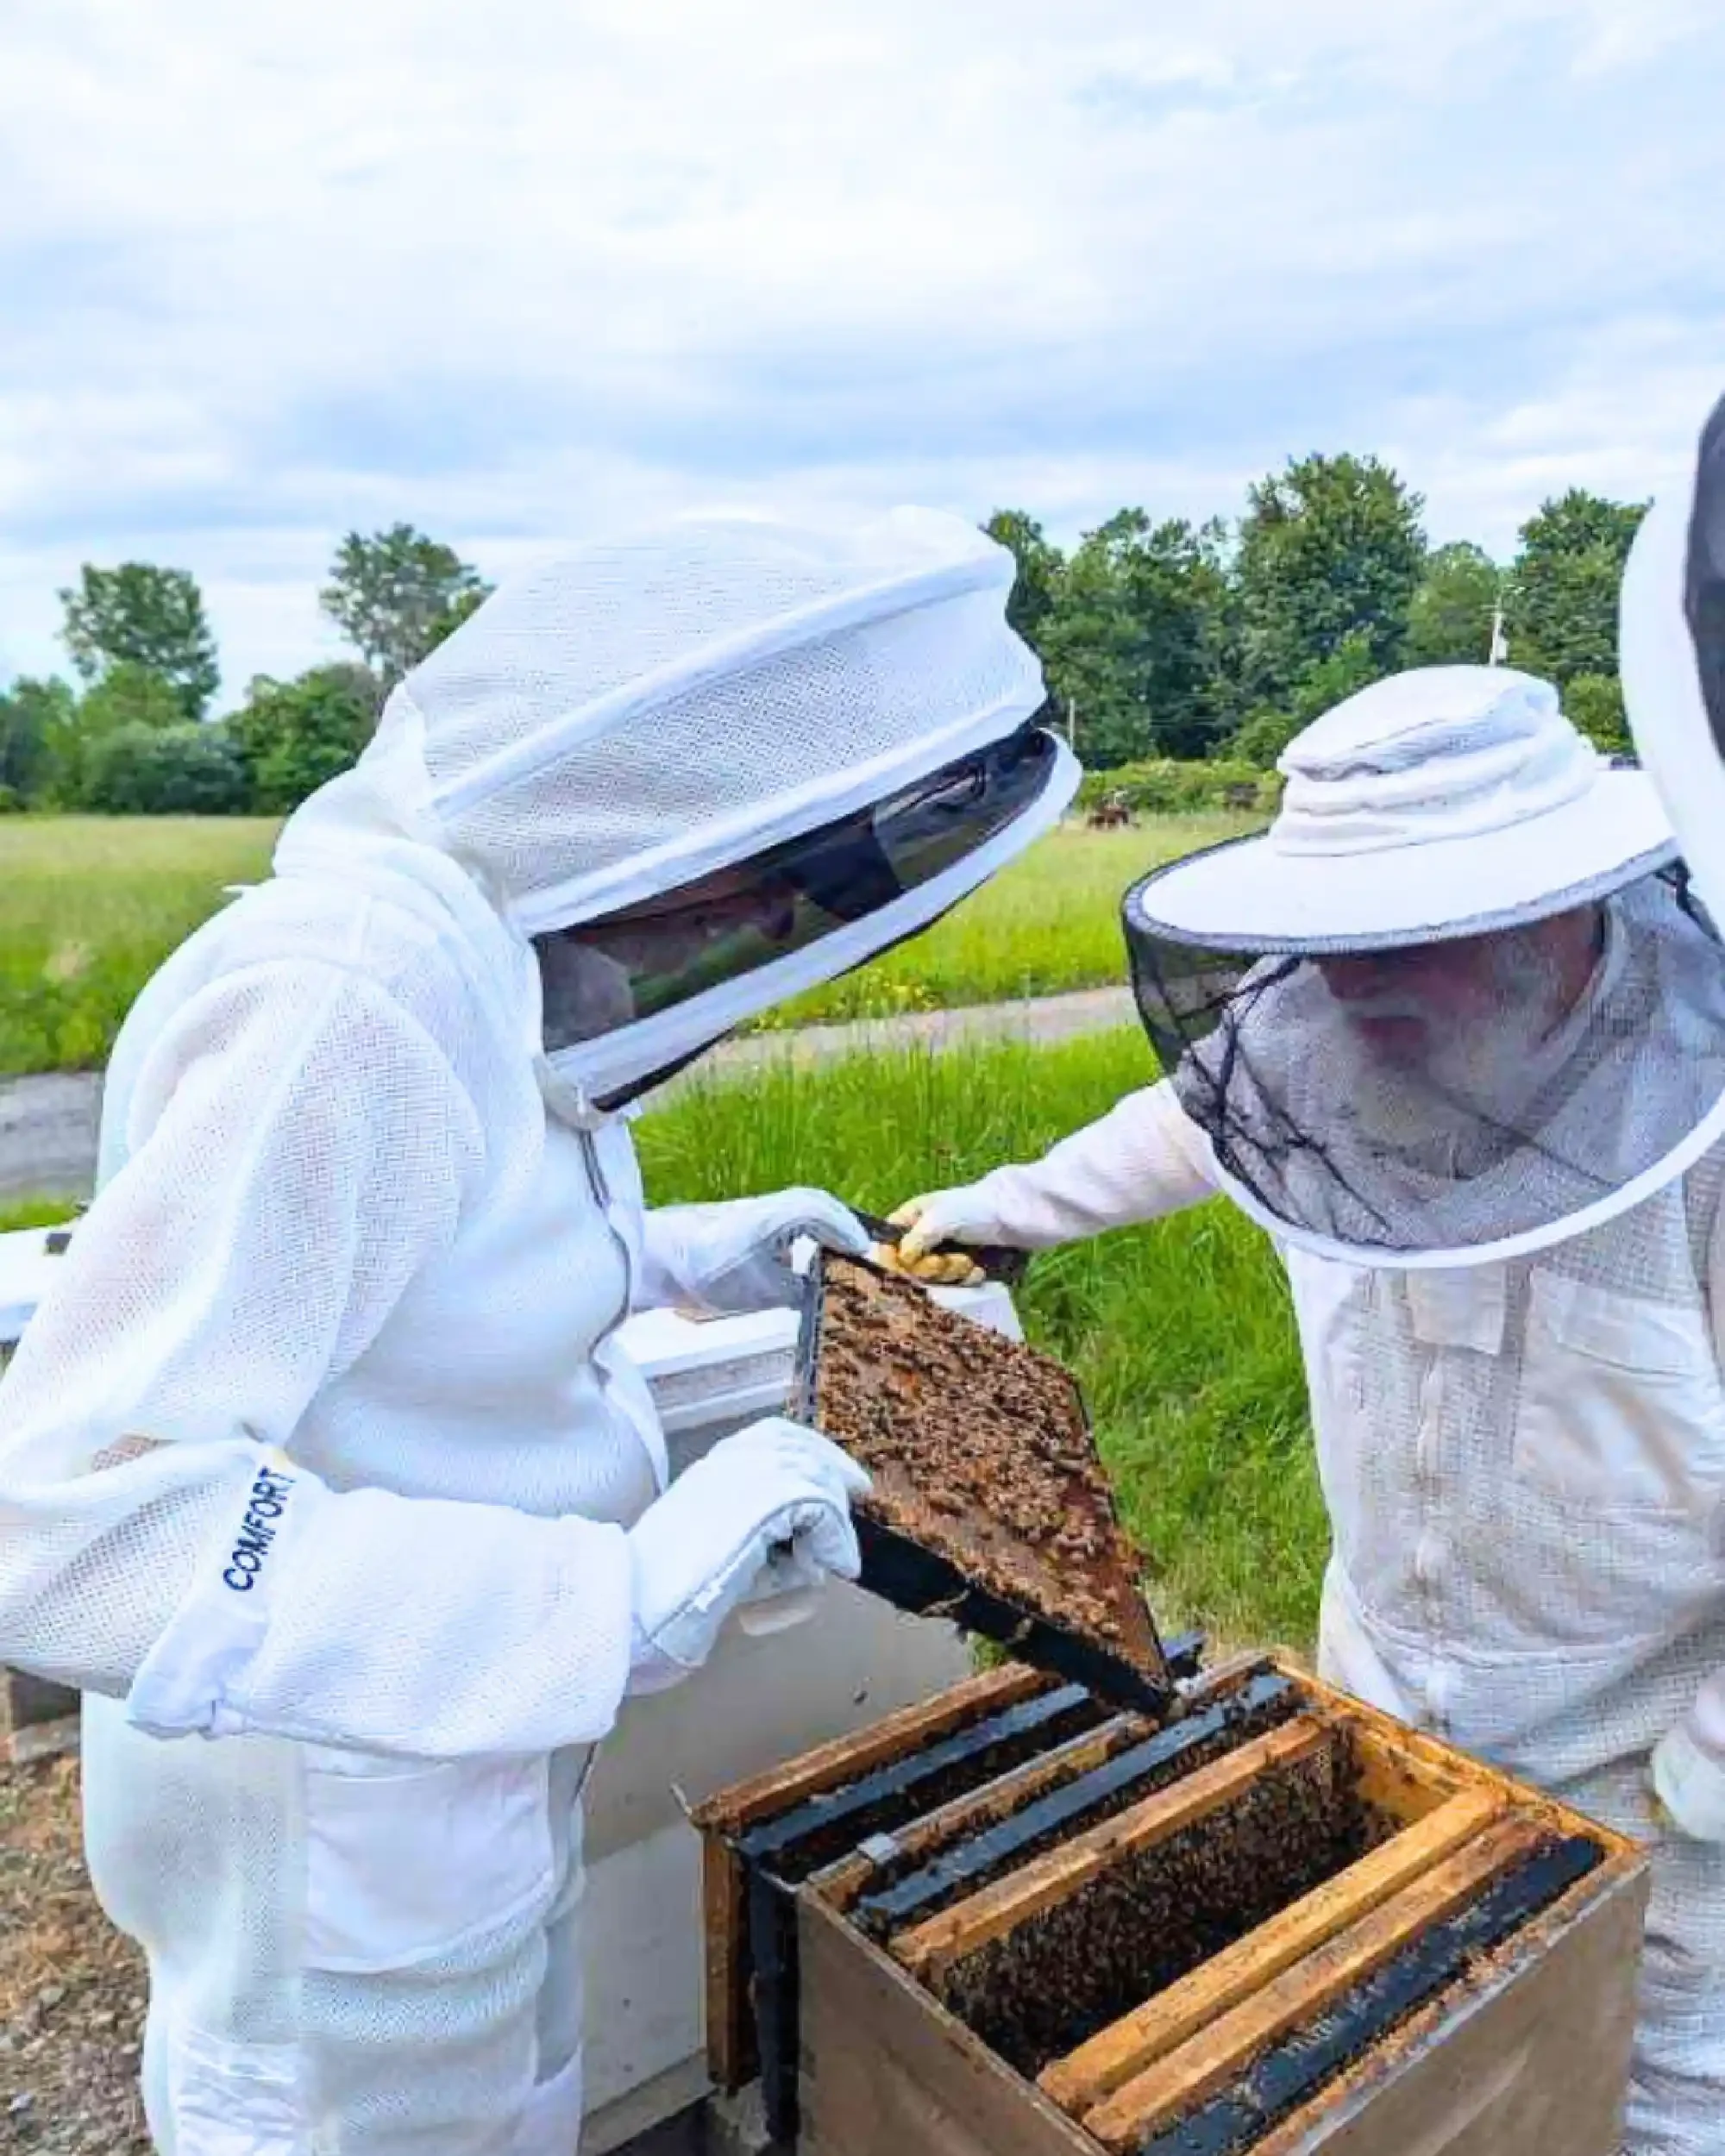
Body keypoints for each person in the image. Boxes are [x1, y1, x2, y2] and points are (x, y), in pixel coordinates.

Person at [0, 508, 1079, 2156]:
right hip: (344, 1835)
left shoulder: (492, 961)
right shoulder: (351, 1000)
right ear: (669, 821)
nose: (752, 930)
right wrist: (621, 1598)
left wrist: (680, 1254)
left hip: (473, 1761)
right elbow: (64, 1528)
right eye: (767, 874)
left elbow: (427, 1266)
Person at [887, 663, 1725, 2155]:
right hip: (1384, 1672)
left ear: (1554, 914)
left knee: (1653, 2094)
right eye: (1330, 948)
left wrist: (1707, 1781)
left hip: (1652, 1760)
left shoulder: (1702, 1141)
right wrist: (1000, 1212)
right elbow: (1184, 1122)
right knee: (1399, 2071)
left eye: (1402, 946)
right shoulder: (1327, 1049)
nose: (1347, 992)